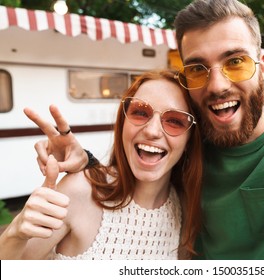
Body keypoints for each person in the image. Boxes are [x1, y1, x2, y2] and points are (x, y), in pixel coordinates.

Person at [24, 0, 264, 259]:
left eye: (235, 62)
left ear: (262, 66)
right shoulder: (189, 146)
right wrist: (88, 162)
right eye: (198, 68)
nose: (216, 85)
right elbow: (137, 183)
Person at [0, 70, 203, 260]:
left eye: (175, 121)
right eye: (140, 113)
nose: (152, 131)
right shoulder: (80, 191)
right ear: (123, 123)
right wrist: (15, 233)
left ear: (189, 140)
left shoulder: (184, 207)